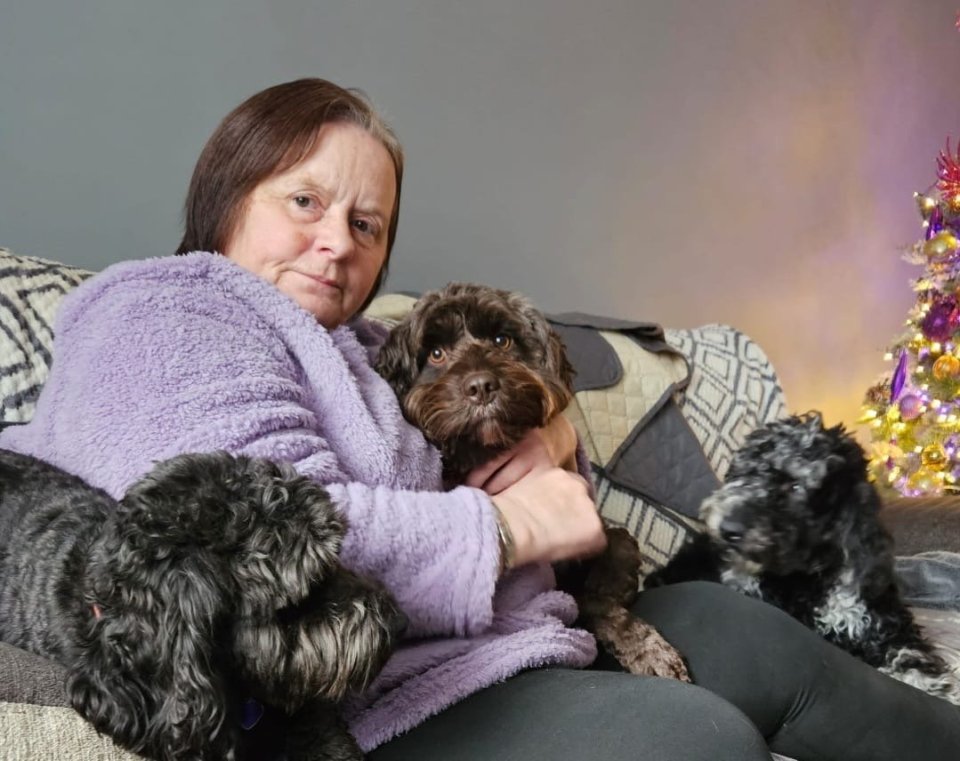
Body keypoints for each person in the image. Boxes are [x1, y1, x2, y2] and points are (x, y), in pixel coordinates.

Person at [2, 78, 958, 761]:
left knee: (733, 624)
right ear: (226, 198)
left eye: (368, 224)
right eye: (305, 201)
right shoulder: (163, 312)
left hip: (504, 640)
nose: (338, 242)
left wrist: (555, 439)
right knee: (695, 739)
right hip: (366, 704)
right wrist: (517, 523)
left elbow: (481, 403)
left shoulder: (357, 350)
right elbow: (258, 545)